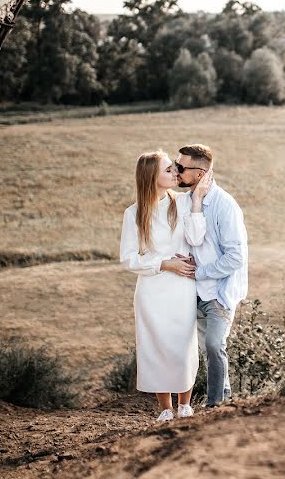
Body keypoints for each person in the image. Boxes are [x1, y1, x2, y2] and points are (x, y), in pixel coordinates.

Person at [119, 150, 212, 421]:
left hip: (182, 288)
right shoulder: (133, 213)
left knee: (183, 344)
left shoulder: (183, 203)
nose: (176, 174)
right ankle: (165, 409)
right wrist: (164, 263)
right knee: (156, 345)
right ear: (152, 177)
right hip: (151, 290)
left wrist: (195, 204)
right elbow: (129, 258)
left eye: (174, 168)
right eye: (169, 170)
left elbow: (196, 238)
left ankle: (185, 404)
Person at [175, 144, 248, 407]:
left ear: (200, 172)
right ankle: (221, 396)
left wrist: (201, 272)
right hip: (190, 290)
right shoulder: (184, 201)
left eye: (182, 167)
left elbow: (236, 257)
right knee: (198, 348)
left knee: (215, 345)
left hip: (218, 291)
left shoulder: (224, 205)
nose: (176, 170)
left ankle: (215, 405)